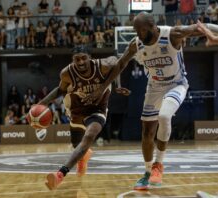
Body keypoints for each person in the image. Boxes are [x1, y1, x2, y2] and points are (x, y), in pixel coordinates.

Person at [82, 11, 218, 190]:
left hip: (176, 84)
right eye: (136, 31)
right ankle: (147, 173)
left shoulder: (172, 34)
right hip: (154, 87)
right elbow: (120, 64)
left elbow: (201, 27)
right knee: (147, 132)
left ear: (152, 27)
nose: (138, 35)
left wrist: (213, 33)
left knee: (164, 116)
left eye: (141, 31)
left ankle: (158, 165)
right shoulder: (136, 44)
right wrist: (102, 87)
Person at [34, 50, 129, 190]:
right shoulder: (67, 73)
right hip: (77, 110)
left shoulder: (102, 65)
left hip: (97, 110)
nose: (80, 62)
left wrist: (116, 85)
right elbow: (60, 90)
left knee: (90, 136)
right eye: (76, 59)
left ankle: (60, 174)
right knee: (76, 143)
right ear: (73, 60)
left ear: (90, 58)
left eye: (84, 58)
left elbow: (118, 63)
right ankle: (84, 155)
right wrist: (41, 103)